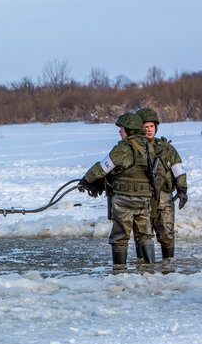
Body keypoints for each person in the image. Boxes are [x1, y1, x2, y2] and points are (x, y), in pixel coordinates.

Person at [79, 113, 155, 265]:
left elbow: (103, 167)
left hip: (125, 198)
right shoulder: (148, 147)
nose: (119, 132)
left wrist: (86, 180)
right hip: (144, 198)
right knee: (145, 235)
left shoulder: (123, 148)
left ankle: (119, 272)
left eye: (121, 128)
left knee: (120, 236)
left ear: (128, 129)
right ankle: (150, 269)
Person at [136, 108, 188, 259]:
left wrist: (182, 189)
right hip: (142, 196)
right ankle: (144, 267)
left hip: (164, 196)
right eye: (145, 127)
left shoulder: (166, 148)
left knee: (167, 231)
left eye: (151, 126)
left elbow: (178, 169)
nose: (149, 130)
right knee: (142, 234)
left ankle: (168, 265)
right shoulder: (134, 148)